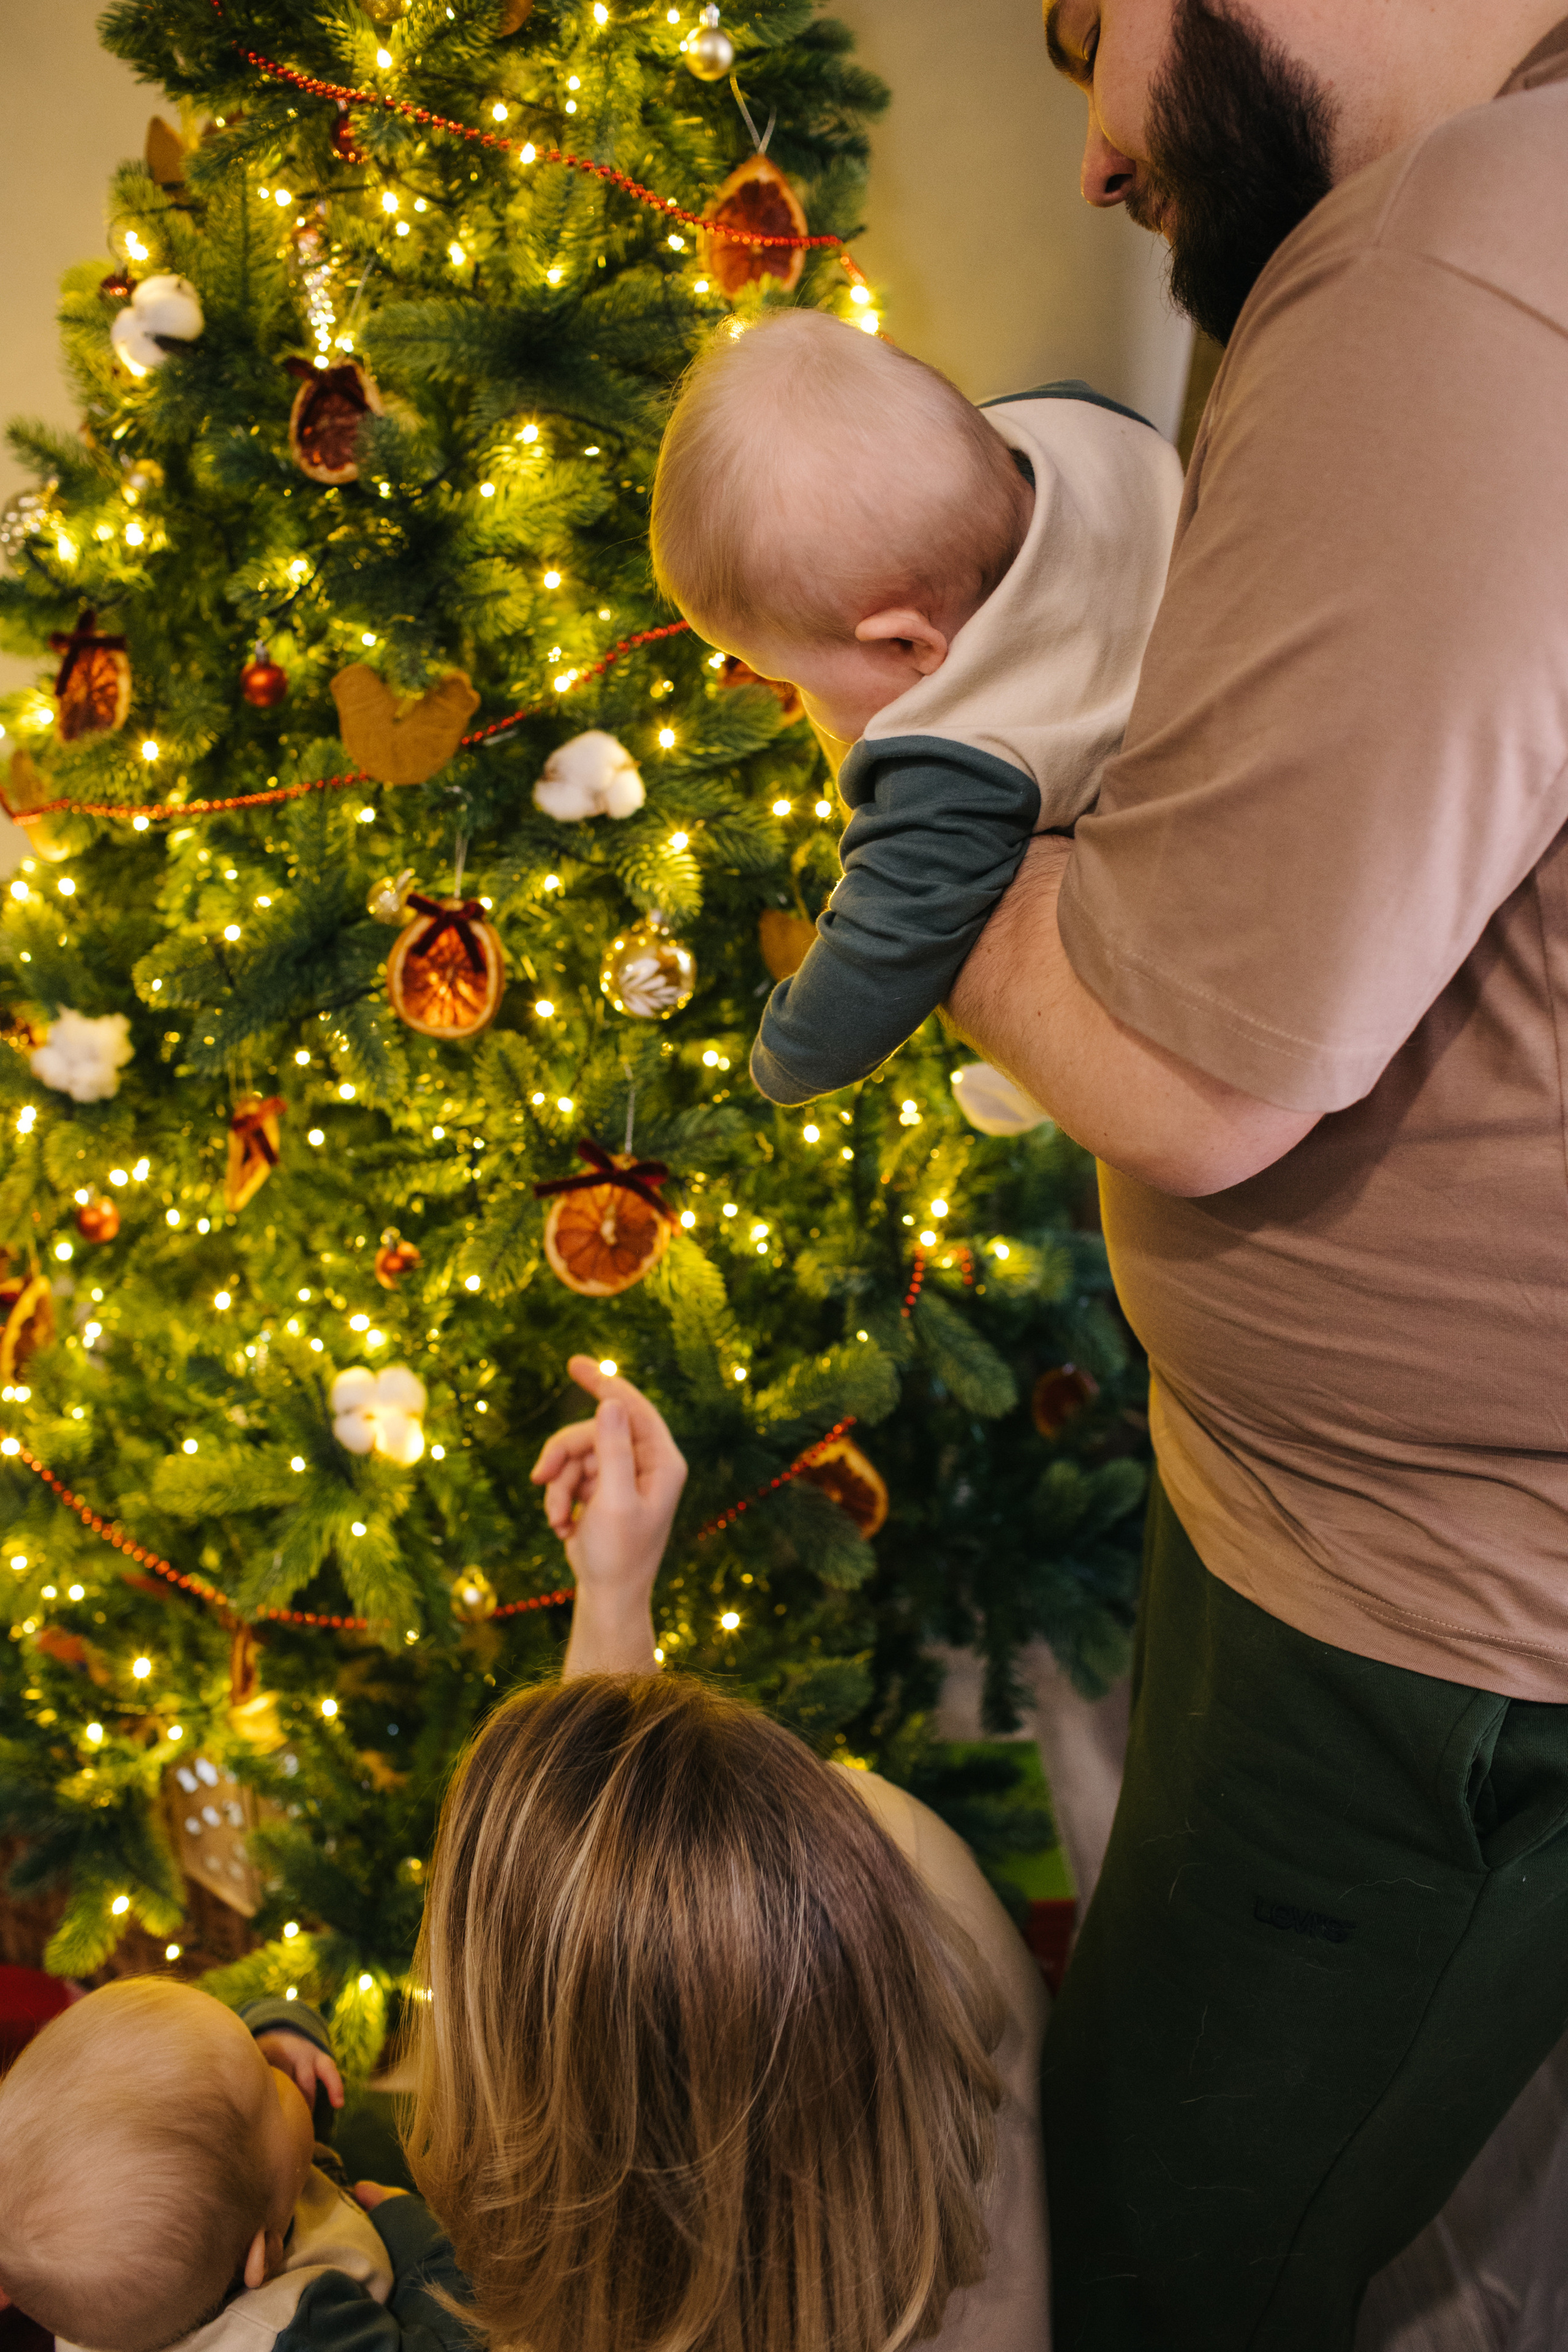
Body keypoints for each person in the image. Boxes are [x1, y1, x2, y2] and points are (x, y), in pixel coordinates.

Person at [936, 1, 1568, 2346]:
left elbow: (1193, 1070)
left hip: (1421, 1637)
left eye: (1084, 32)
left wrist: (913, 846)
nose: (1098, 151)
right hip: (1369, 1547)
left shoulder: (1455, 265)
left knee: (1161, 2255)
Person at [401, 1356, 1050, 2352]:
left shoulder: (568, 2275)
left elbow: (599, 1961)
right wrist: (615, 1589)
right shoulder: (908, 1866)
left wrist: (615, 1597)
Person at [649, 308, 1183, 1106]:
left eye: (789, 677)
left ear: (909, 647)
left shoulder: (958, 760)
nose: (798, 705)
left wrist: (785, 1058)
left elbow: (883, 948)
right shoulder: (1071, 421)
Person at [0, 1979, 467, 2352]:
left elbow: (225, 2101)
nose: (279, 2071)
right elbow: (457, 2342)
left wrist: (278, 2031)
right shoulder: (302, 2331)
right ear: (266, 2253)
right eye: (268, 2078)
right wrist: (421, 2245)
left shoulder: (111, 2298)